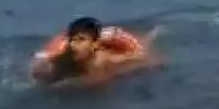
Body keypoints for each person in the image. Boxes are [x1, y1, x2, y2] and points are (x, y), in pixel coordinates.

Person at [30, 17, 159, 89]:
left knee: (144, 43)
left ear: (95, 44)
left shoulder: (105, 57)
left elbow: (139, 57)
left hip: (115, 45)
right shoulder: (61, 53)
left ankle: (155, 32)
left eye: (81, 41)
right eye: (72, 41)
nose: (75, 45)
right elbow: (38, 67)